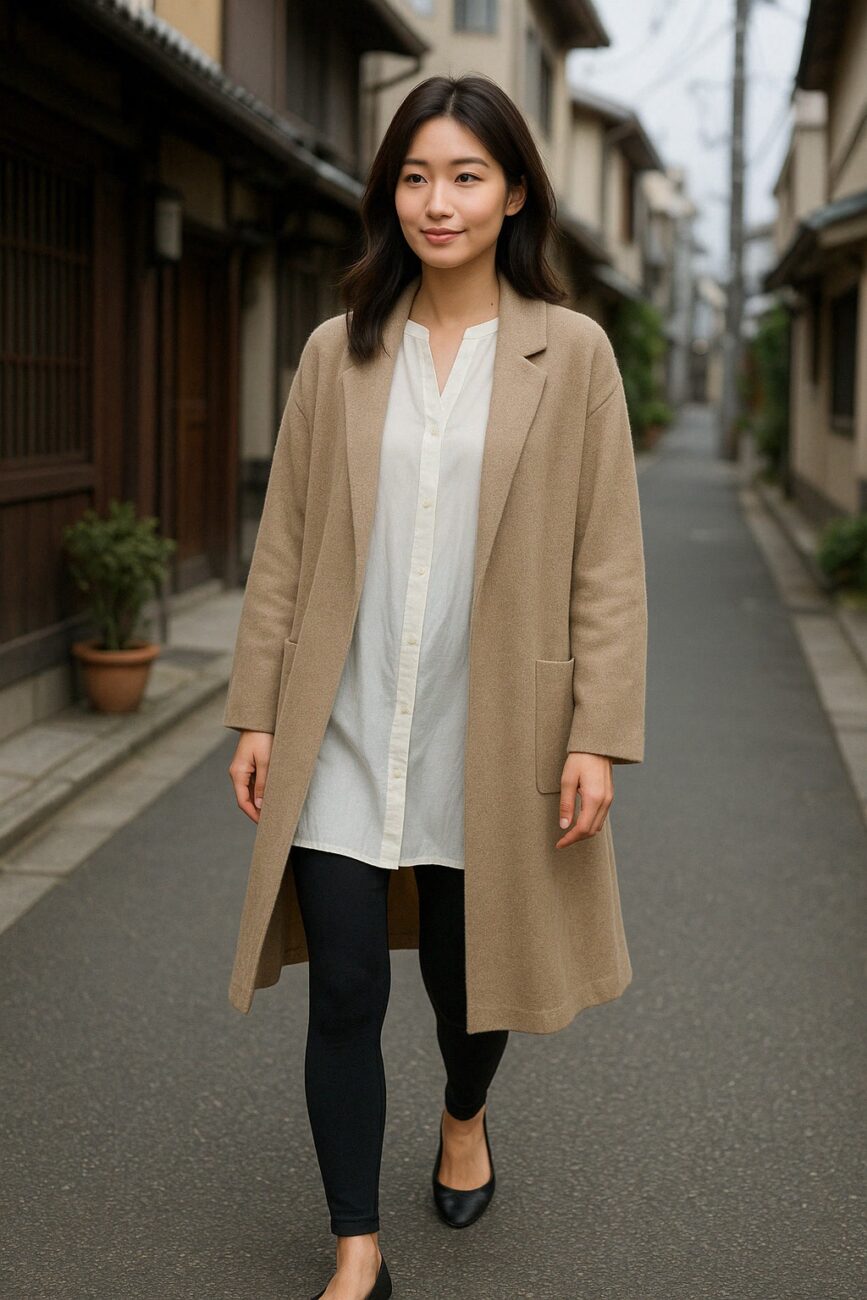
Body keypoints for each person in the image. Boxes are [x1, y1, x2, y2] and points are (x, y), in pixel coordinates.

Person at [225, 73, 647, 1300]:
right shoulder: (337, 350)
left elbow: (608, 559)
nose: (437, 201)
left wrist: (596, 733)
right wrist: (256, 710)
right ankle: (357, 1250)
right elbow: (285, 544)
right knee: (347, 987)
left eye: (465, 175)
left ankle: (465, 1109)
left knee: (472, 981)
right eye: (415, 176)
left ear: (513, 193)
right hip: (345, 723)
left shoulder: (572, 353)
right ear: (389, 193)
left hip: (494, 726)